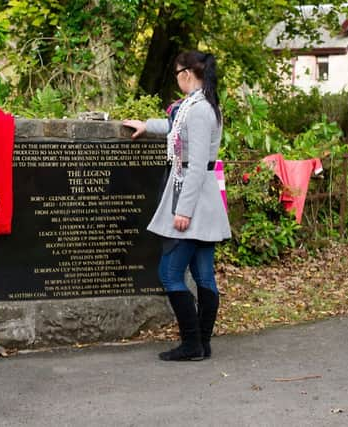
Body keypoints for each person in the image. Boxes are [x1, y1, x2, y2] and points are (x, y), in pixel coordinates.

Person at [123, 51, 231, 361]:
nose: (176, 77)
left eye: (176, 72)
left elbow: (196, 164)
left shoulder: (197, 110)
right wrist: (147, 125)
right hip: (203, 197)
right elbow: (175, 125)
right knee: (204, 276)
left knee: (169, 273)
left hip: (192, 197)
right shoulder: (200, 105)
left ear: (187, 73)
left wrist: (183, 210)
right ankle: (202, 343)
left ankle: (192, 344)